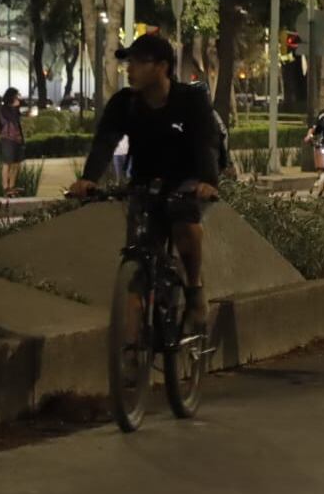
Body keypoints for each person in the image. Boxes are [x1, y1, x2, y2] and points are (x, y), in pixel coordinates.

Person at [68, 34, 221, 330]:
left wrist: (207, 181)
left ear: (162, 66)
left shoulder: (189, 100)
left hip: (185, 179)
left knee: (184, 225)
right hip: (143, 180)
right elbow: (105, 142)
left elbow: (207, 142)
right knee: (138, 255)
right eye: (129, 62)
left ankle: (194, 290)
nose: (130, 69)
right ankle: (131, 349)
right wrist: (88, 179)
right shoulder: (124, 103)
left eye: (139, 62)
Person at [0, 88, 24, 197]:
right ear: (11, 97)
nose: (18, 98)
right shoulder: (3, 109)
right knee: (7, 163)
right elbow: (10, 119)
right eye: (16, 95)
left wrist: (22, 140)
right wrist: (15, 107)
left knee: (16, 163)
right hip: (7, 139)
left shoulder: (15, 109)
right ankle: (5, 187)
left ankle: (12, 186)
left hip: (17, 139)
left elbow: (17, 123)